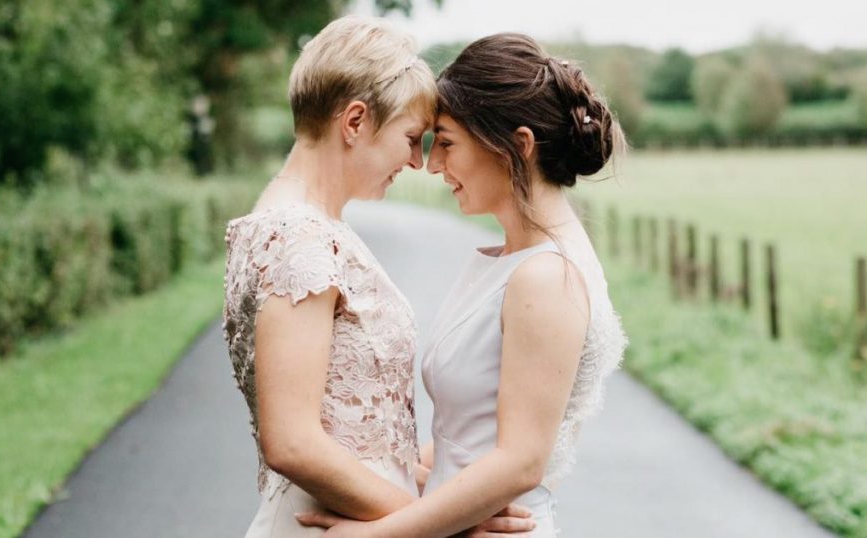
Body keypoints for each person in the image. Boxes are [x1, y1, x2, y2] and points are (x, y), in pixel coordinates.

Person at [297, 32, 628, 537]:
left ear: (517, 146)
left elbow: (519, 464)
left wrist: (375, 534)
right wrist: (400, 480)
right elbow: (467, 435)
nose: (432, 165)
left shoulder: (545, 275)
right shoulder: (514, 261)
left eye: (447, 143)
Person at [222, 17, 535, 537]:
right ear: (355, 122)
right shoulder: (298, 235)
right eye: (411, 138)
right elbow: (292, 441)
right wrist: (438, 526)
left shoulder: (303, 224)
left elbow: (356, 430)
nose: (417, 161)